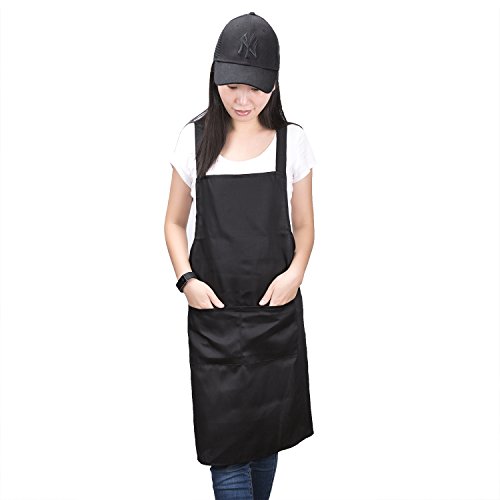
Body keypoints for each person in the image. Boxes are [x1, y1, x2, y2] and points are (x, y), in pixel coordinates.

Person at [164, 12, 317, 500]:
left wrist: (295, 273)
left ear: (274, 84)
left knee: (265, 441)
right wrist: (186, 281)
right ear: (216, 78)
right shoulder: (194, 140)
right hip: (216, 323)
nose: (243, 100)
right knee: (227, 453)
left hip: (274, 318)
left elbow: (305, 226)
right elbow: (173, 223)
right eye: (232, 86)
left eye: (256, 88)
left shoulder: (292, 142)